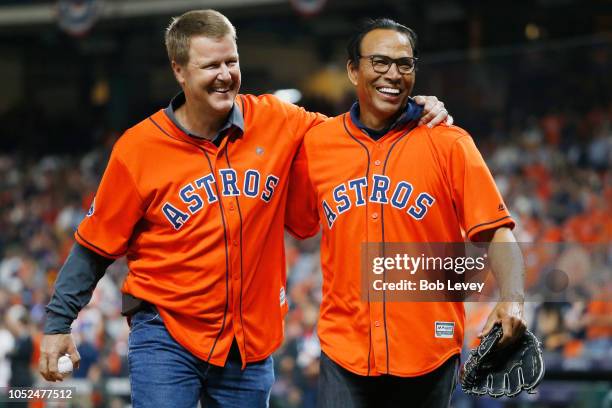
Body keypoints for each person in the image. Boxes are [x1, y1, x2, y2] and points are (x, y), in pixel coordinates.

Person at [38, 9, 450, 408]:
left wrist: (411, 107)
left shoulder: (276, 120)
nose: (225, 75)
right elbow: (94, 246)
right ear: (179, 70)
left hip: (248, 342)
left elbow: (352, 131)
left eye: (231, 61)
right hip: (166, 331)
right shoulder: (138, 148)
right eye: (210, 65)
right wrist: (58, 323)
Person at [285, 18, 527, 407]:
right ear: (352, 69)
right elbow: (298, 222)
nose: (393, 74)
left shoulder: (449, 142)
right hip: (344, 349)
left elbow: (498, 231)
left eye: (405, 64)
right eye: (379, 62)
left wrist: (513, 297)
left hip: (427, 349)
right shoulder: (318, 143)